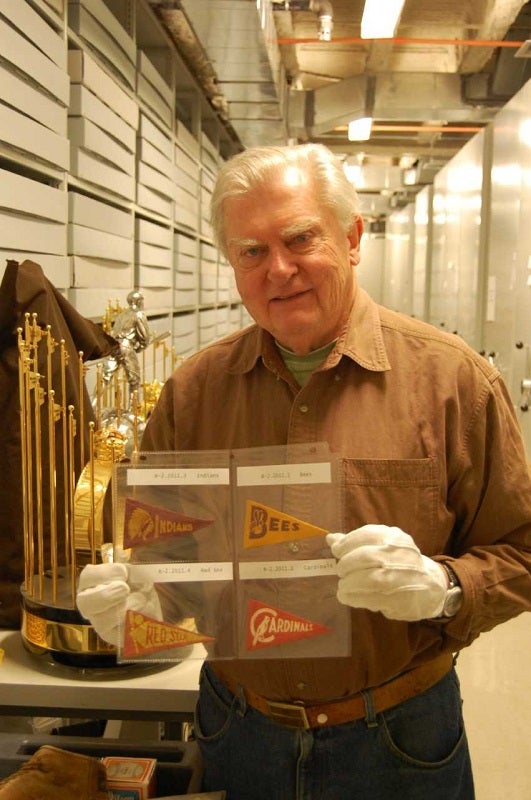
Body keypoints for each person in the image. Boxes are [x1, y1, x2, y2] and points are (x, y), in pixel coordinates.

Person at [77, 143, 531, 800]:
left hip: (398, 741)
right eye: (251, 252)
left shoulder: (453, 381)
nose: (279, 269)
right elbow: (170, 570)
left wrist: (443, 587)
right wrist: (140, 602)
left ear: (350, 238)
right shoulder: (195, 392)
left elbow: (521, 550)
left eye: (299, 238)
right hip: (238, 734)